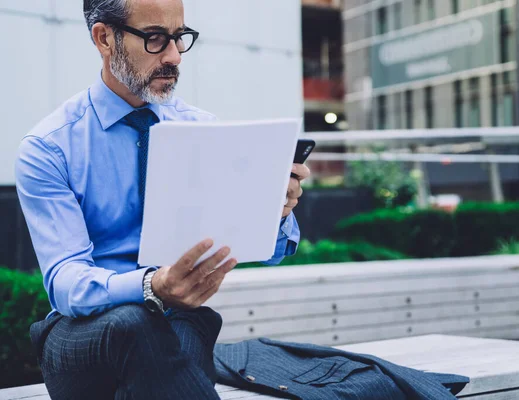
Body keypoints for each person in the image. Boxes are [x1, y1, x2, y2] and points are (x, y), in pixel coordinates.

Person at [15, 0, 310, 398]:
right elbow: (67, 284)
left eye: (179, 37)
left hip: (173, 325)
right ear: (104, 38)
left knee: (181, 329)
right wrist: (152, 285)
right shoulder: (49, 149)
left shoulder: (204, 132)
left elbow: (267, 251)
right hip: (82, 337)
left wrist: (274, 211)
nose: (173, 57)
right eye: (155, 38)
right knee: (136, 323)